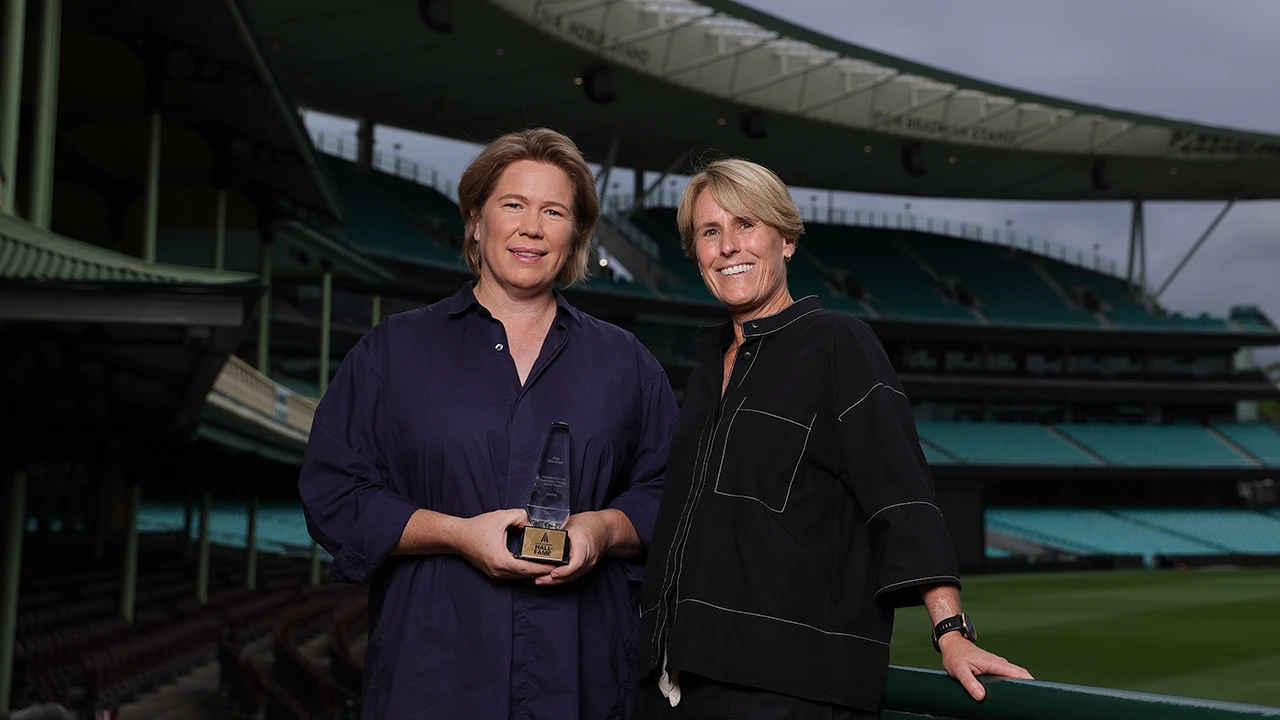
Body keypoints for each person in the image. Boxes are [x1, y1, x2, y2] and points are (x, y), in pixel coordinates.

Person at [298, 128, 680, 720]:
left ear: (574, 233)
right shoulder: (394, 351)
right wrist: (456, 534)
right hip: (433, 673)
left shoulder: (628, 364)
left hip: (581, 677)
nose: (532, 227)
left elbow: (670, 495)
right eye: (513, 205)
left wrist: (602, 529)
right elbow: (334, 492)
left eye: (553, 211)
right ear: (476, 220)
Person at [635, 158, 1032, 719]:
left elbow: (902, 494)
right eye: (709, 231)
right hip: (677, 683)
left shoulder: (839, 343)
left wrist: (951, 630)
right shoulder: (704, 374)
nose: (727, 246)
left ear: (787, 239)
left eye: (746, 224)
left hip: (788, 687)